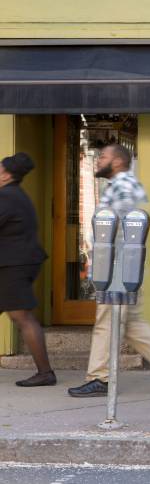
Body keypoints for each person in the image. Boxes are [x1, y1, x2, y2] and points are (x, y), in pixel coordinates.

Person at [68, 144, 150, 398]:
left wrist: (101, 262)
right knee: (130, 323)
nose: (98, 160)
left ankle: (100, 377)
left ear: (119, 162)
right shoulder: (124, 184)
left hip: (117, 271)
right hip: (123, 269)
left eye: (104, 157)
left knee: (106, 323)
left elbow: (117, 230)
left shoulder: (123, 186)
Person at [0, 153, 55, 387]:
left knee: (21, 315)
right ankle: (44, 372)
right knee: (19, 314)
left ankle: (45, 373)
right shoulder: (16, 195)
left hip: (15, 265)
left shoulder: (7, 196)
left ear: (6, 174)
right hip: (15, 262)